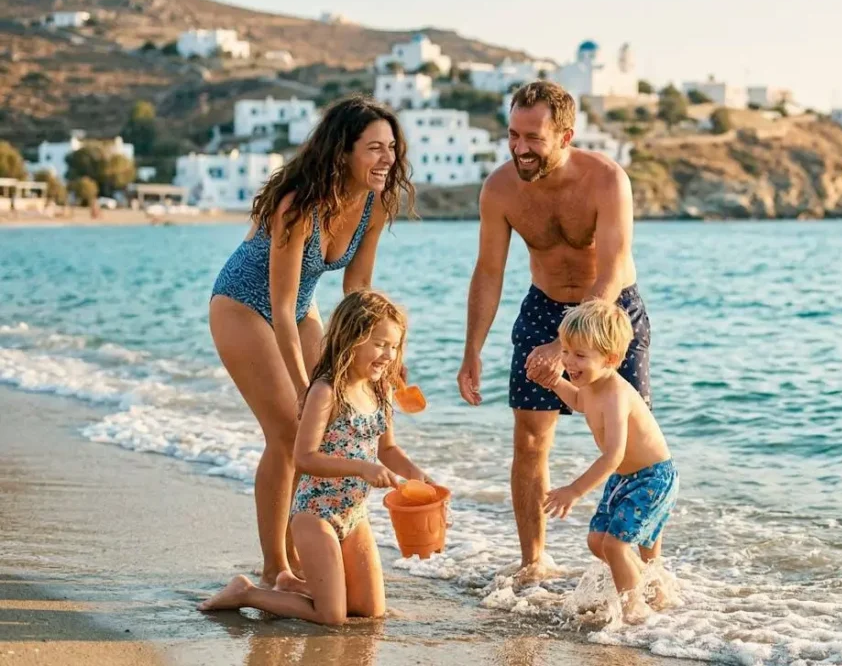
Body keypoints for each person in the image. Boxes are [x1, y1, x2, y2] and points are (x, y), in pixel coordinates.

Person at [209, 96, 414, 587]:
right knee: (287, 431)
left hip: (301, 308)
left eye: (391, 147)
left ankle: (303, 554)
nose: (387, 158)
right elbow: (278, 307)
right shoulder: (298, 205)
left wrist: (386, 351)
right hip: (242, 303)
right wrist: (306, 387)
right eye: (374, 148)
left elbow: (356, 288)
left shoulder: (376, 201)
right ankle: (275, 565)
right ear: (343, 152)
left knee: (318, 432)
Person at [458, 80, 651, 583]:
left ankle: (646, 569)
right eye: (513, 135)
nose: (520, 148)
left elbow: (610, 270)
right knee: (529, 440)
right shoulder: (500, 189)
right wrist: (471, 349)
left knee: (630, 444)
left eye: (533, 138)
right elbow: (489, 272)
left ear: (565, 136)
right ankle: (534, 561)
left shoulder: (608, 180)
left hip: (609, 313)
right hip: (544, 306)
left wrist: (566, 343)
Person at [199, 290, 432, 625]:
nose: (388, 354)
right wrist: (363, 468)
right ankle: (246, 592)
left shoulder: (380, 391)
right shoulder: (325, 391)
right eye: (380, 344)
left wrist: (418, 477)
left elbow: (388, 450)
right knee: (332, 616)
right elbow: (304, 457)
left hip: (354, 516)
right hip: (315, 515)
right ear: (351, 338)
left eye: (394, 346)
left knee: (370, 611)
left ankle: (292, 584)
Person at [531, 300, 677, 623]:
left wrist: (574, 490)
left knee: (616, 545)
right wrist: (554, 382)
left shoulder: (615, 394)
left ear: (610, 359)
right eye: (566, 350)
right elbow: (579, 402)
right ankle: (654, 588)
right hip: (626, 478)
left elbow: (613, 455)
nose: (569, 360)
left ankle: (635, 615)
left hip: (652, 478)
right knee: (598, 541)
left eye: (580, 355)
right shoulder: (590, 386)